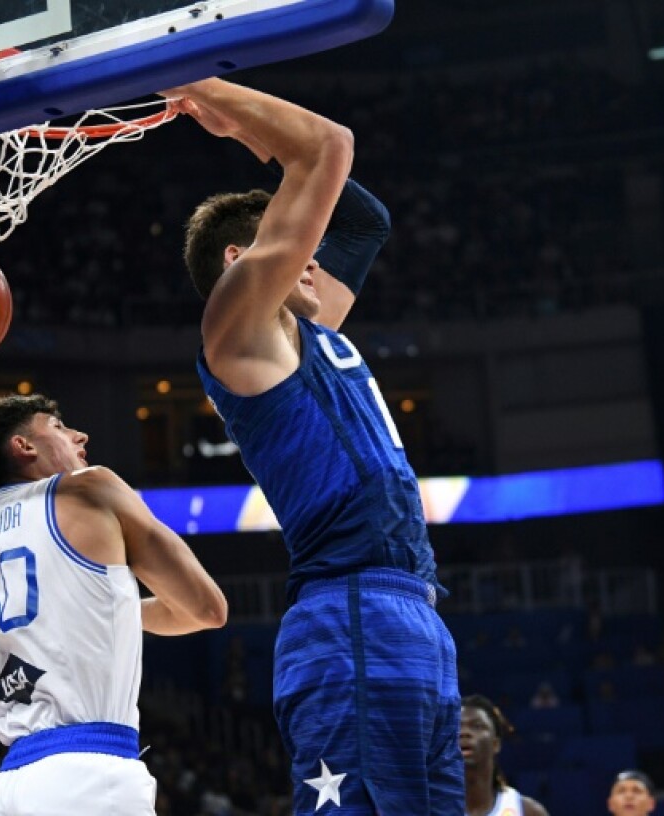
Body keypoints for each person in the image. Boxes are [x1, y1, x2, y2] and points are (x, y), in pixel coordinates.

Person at [167, 77, 462, 814]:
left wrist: (243, 136)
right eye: (293, 242)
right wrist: (198, 81)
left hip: (413, 613)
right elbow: (330, 146)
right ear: (240, 260)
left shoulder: (312, 326)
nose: (314, 256)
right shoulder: (239, 330)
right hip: (347, 610)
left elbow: (363, 224)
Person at [0, 394, 228, 816]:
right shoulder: (92, 488)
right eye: (58, 426)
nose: (79, 435)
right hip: (89, 774)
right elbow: (208, 609)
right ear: (24, 446)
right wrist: (117, 608)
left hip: (10, 785)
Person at [459, 695, 548, 816]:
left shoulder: (528, 811)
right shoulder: (431, 809)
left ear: (496, 744)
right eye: (456, 727)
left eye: (477, 726)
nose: (464, 733)